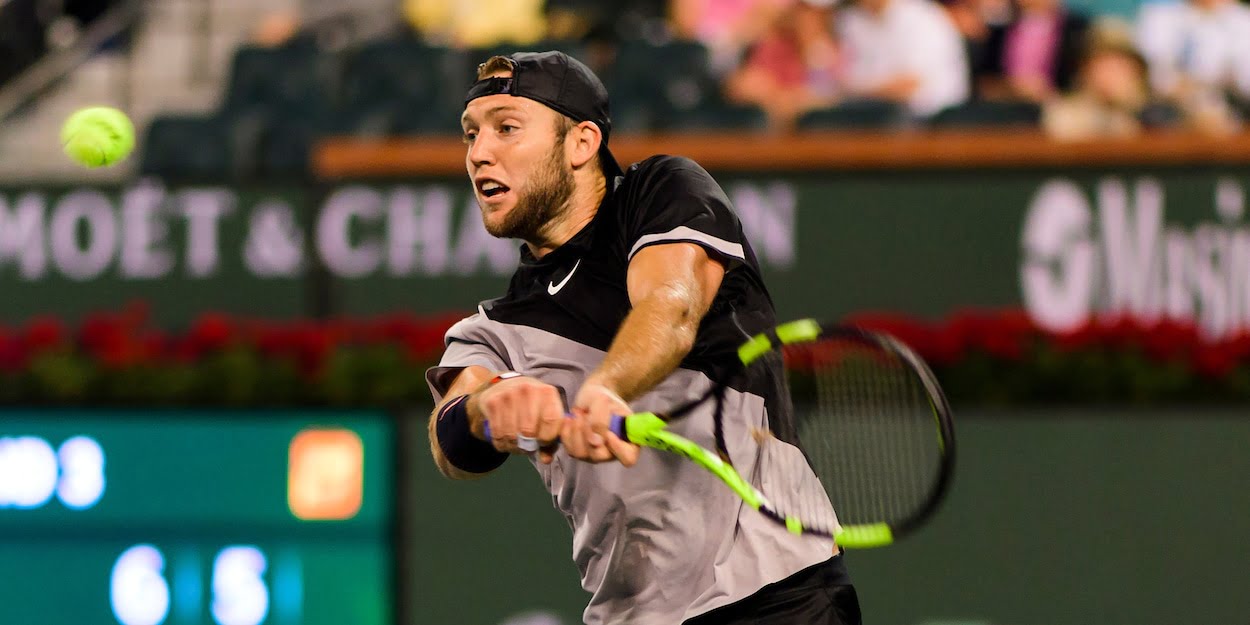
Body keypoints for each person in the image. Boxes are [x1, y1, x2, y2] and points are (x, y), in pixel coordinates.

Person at [424, 51, 860, 625]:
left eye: (507, 128)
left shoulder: (663, 192)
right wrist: (489, 408)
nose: (480, 153)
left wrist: (606, 390)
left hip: (775, 594)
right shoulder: (494, 330)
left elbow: (671, 305)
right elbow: (450, 440)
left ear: (581, 143)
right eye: (470, 135)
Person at [724, 0, 845, 130]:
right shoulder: (773, 46)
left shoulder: (836, 49)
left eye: (817, 15)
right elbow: (745, 86)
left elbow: (837, 94)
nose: (808, 21)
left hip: (823, 126)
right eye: (803, 13)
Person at [838, 0, 971, 118]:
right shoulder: (851, 20)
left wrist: (852, 91)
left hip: (936, 122)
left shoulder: (922, 17)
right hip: (875, 116)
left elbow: (909, 85)